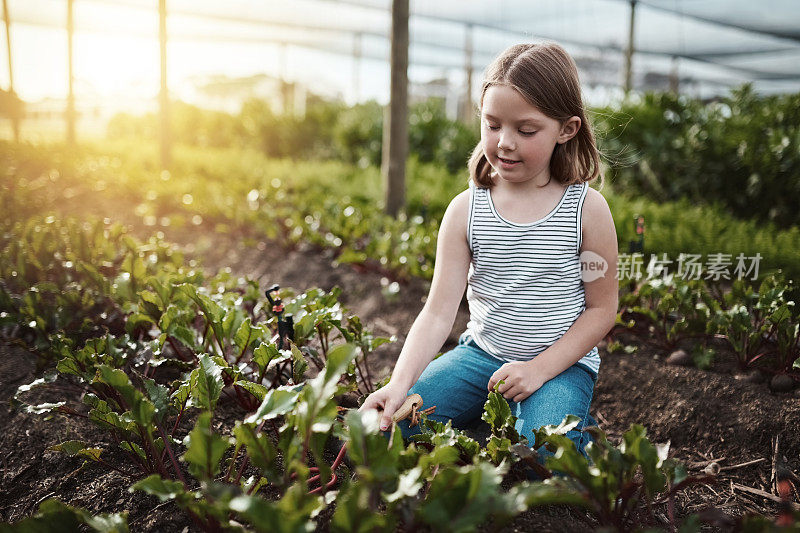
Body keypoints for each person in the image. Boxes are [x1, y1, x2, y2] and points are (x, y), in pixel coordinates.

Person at [359, 41, 619, 463]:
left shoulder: (587, 210)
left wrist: (537, 370)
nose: (504, 143)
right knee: (392, 430)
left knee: (543, 458)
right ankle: (489, 420)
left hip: (559, 368)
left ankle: (584, 447)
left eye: (526, 130)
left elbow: (601, 310)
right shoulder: (466, 210)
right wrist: (398, 384)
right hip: (481, 357)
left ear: (566, 130)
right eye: (493, 124)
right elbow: (438, 311)